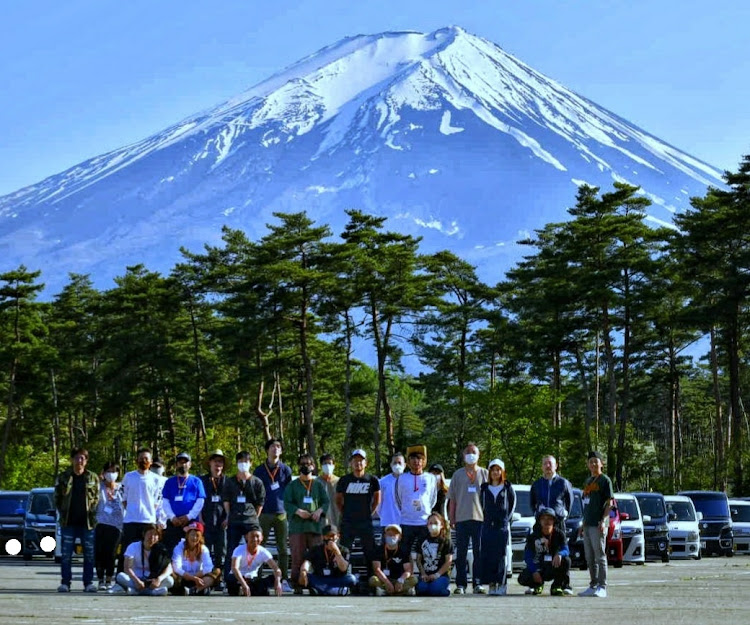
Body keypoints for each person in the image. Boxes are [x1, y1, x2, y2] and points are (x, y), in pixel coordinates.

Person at [54, 447, 100, 593]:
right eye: (77, 458)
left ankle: (88, 583)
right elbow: (57, 498)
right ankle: (65, 582)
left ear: (86, 461)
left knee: (89, 555)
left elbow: (97, 498)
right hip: (69, 522)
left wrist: (92, 511)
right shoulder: (63, 477)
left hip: (88, 523)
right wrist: (62, 512)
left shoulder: (93, 478)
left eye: (82, 458)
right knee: (66, 554)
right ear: (72, 459)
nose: (79, 461)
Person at [447, 441, 488, 594]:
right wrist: (452, 518)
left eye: (474, 452)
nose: (471, 455)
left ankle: (478, 583)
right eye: (468, 452)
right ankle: (461, 585)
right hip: (461, 520)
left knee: (479, 553)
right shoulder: (457, 475)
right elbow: (452, 499)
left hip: (480, 519)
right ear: (463, 456)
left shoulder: (485, 473)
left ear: (478, 455)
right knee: (461, 553)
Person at [283, 453, 329, 591]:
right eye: (303, 464)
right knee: (297, 557)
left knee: (317, 557)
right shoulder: (293, 485)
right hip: (298, 527)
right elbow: (286, 503)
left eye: (308, 464)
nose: (306, 466)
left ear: (313, 466)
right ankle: (297, 584)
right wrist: (298, 511)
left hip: (315, 527)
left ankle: (317, 584)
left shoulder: (318, 484)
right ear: (298, 467)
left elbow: (326, 501)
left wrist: (319, 511)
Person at [529, 454, 574, 593]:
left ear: (556, 466)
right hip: (541, 524)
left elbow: (569, 500)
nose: (548, 466)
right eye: (545, 464)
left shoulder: (563, 483)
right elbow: (532, 502)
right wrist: (537, 512)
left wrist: (564, 513)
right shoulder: (537, 484)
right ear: (542, 466)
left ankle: (563, 585)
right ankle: (536, 584)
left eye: (550, 463)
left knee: (561, 553)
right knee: (537, 553)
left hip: (558, 522)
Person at [254, 438, 293, 590]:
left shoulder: (286, 470)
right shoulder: (259, 470)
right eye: (272, 446)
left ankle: (283, 579)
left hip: (281, 513)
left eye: (278, 447)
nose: (275, 449)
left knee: (282, 548)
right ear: (267, 450)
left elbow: (289, 492)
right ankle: (256, 576)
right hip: (264, 513)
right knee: (260, 546)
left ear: (281, 451)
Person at [335, 449, 380, 575]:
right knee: (345, 550)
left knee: (370, 551)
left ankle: (371, 579)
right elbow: (338, 500)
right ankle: (344, 577)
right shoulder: (344, 480)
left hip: (366, 521)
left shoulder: (372, 480)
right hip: (348, 521)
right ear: (351, 463)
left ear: (366, 463)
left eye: (361, 460)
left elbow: (377, 499)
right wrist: (345, 512)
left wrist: (369, 512)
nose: (358, 463)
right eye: (355, 460)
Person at [222, 451, 266, 580]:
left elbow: (260, 503)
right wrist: (229, 516)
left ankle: (256, 578)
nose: (243, 464)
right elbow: (226, 500)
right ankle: (228, 578)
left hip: (251, 521)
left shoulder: (257, 482)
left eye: (246, 461)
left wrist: (254, 517)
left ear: (251, 463)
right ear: (237, 463)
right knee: (231, 550)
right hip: (234, 519)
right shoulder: (230, 481)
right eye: (240, 461)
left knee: (255, 549)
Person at [579, 450, 613, 598]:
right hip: (587, 523)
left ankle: (602, 586)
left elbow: (610, 502)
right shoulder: (587, 482)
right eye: (590, 461)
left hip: (598, 524)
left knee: (600, 555)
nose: (593, 464)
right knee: (589, 556)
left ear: (601, 463)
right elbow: (586, 504)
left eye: (595, 461)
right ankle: (592, 585)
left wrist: (604, 520)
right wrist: (583, 523)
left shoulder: (605, 480)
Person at [120, 448, 163, 565]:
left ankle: (149, 576)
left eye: (146, 459)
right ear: (136, 460)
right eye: (141, 458)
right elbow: (123, 498)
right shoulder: (128, 477)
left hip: (148, 521)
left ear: (150, 461)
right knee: (128, 551)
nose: (143, 461)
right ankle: (122, 578)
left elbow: (157, 501)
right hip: (131, 520)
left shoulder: (156, 479)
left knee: (149, 551)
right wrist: (131, 510)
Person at [479, 458, 515, 596]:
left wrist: (505, 521)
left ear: (502, 472)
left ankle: (502, 583)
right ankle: (492, 584)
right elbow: (480, 505)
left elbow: (511, 506)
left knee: (501, 556)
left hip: (501, 528)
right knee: (487, 556)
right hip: (487, 526)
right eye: (493, 470)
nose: (495, 473)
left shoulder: (507, 488)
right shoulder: (484, 488)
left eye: (498, 470)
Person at [518, 507, 571, 595]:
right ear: (539, 521)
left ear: (554, 521)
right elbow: (527, 556)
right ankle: (537, 585)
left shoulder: (560, 534)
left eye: (550, 519)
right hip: (539, 566)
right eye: (544, 518)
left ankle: (556, 587)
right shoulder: (533, 536)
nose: (547, 521)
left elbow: (566, 550)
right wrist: (534, 570)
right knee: (523, 578)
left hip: (554, 566)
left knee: (567, 561)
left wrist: (560, 554)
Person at [395, 445, 437, 556]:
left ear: (424, 461)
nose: (416, 461)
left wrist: (425, 509)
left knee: (424, 553)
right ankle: (407, 573)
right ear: (408, 461)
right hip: (406, 522)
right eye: (413, 458)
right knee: (404, 553)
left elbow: (433, 499)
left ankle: (424, 573)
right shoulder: (402, 478)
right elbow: (398, 499)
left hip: (424, 522)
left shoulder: (430, 478)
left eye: (419, 459)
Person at [161, 452, 206, 552]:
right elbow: (165, 501)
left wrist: (189, 516)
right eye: (180, 462)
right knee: (171, 549)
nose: (183, 465)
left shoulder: (196, 481)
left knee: (192, 548)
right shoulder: (169, 482)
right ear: (176, 464)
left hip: (191, 522)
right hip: (174, 522)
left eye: (185, 462)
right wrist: (172, 517)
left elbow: (200, 501)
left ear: (190, 464)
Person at [113, 524, 174, 595]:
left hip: (152, 579)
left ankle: (135, 592)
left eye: (155, 535)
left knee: (170, 581)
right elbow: (127, 568)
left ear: (158, 538)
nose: (152, 537)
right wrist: (136, 581)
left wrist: (159, 579)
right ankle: (152, 592)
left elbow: (169, 568)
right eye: (150, 533)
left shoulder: (162, 549)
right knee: (120, 576)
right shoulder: (133, 546)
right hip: (135, 578)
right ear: (144, 534)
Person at [298, 524, 357, 596]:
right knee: (308, 577)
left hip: (337, 579)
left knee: (352, 579)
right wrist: (303, 571)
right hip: (321, 578)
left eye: (333, 536)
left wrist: (336, 552)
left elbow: (343, 568)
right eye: (328, 536)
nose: (331, 539)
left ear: (338, 536)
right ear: (323, 537)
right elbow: (307, 562)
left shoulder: (344, 550)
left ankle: (322, 589)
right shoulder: (316, 549)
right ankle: (334, 590)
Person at [227, 527, 283, 596]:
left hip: (252, 579)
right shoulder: (239, 549)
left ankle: (249, 589)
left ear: (262, 538)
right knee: (231, 580)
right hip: (238, 578)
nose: (255, 539)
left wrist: (278, 581)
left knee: (274, 578)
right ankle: (246, 589)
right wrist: (244, 584)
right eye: (252, 537)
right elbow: (234, 568)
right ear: (246, 537)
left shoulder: (263, 551)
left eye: (257, 536)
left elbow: (276, 569)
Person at [95, 461, 124, 591]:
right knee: (99, 552)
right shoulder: (98, 487)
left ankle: (109, 578)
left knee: (111, 553)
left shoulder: (121, 488)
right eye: (109, 471)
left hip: (116, 525)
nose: (111, 474)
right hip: (100, 523)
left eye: (114, 471)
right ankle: (100, 579)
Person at [199, 449, 227, 584]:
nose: (218, 465)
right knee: (206, 551)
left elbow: (232, 501)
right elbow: (197, 500)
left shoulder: (227, 481)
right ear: (210, 463)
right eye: (215, 462)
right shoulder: (202, 480)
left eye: (220, 462)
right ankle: (208, 577)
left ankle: (219, 577)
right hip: (206, 520)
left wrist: (228, 518)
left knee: (221, 552)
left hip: (222, 521)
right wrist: (199, 517)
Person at [171, 521, 218, 595]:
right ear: (187, 535)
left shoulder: (203, 548)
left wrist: (195, 577)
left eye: (197, 535)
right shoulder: (179, 547)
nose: (194, 538)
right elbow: (176, 567)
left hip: (198, 578)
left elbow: (208, 567)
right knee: (172, 574)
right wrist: (191, 577)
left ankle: (194, 590)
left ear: (200, 537)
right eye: (192, 535)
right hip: (183, 578)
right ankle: (199, 590)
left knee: (216, 572)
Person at [369, 523, 417, 596]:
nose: (391, 537)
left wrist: (401, 580)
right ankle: (400, 592)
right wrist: (387, 582)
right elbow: (377, 569)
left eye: (394, 535)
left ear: (400, 537)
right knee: (373, 580)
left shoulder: (403, 551)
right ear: (385, 536)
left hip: (398, 579)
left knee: (414, 579)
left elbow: (408, 570)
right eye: (389, 534)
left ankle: (386, 592)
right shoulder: (378, 550)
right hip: (384, 579)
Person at [414, 512, 452, 597]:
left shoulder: (446, 541)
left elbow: (448, 561)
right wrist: (423, 574)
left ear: (441, 525)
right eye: (430, 523)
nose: (432, 525)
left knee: (434, 589)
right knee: (421, 589)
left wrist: (436, 575)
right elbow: (418, 560)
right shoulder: (422, 540)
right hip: (425, 575)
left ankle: (445, 589)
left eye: (435, 523)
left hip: (440, 576)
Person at [378, 452, 405, 528]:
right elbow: (378, 503)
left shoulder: (409, 481)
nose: (397, 465)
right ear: (391, 465)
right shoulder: (382, 482)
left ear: (405, 465)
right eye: (395, 463)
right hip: (387, 522)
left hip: (405, 522)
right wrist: (383, 514)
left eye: (400, 463)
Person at [316, 453, 340, 527]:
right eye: (325, 463)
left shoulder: (339, 481)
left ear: (334, 465)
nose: (327, 466)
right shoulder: (316, 482)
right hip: (322, 521)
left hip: (337, 519)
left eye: (330, 463)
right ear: (321, 466)